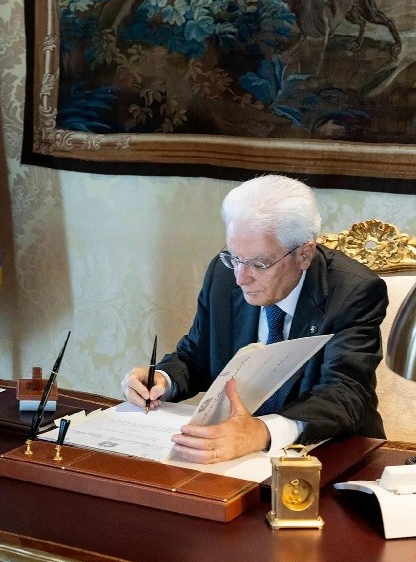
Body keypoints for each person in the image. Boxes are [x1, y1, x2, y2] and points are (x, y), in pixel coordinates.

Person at [124, 174, 387, 464]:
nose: (241, 277)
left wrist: (260, 432)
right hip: (240, 458)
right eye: (235, 257)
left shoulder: (353, 292)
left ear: (304, 255)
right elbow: (197, 355)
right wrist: (161, 379)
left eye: (259, 264)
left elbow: (344, 395)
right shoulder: (223, 274)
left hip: (330, 454)